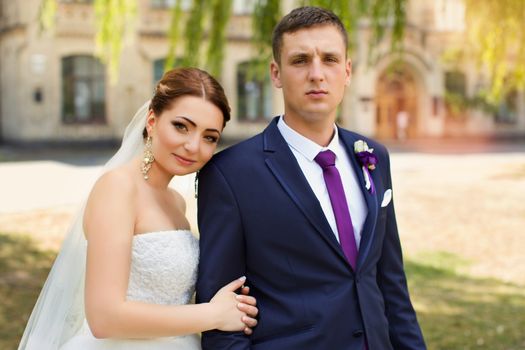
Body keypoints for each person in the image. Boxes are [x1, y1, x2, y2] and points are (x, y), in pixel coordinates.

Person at [196, 7, 426, 350]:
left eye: (330, 59)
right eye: (300, 60)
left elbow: (390, 283)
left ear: (347, 71)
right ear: (276, 73)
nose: (317, 74)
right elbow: (222, 317)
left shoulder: (374, 156)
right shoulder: (230, 173)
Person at [18, 67, 258, 350]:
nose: (193, 146)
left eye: (209, 137)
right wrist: (212, 314)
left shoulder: (176, 202)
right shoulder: (117, 189)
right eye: (181, 126)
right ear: (153, 121)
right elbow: (104, 317)